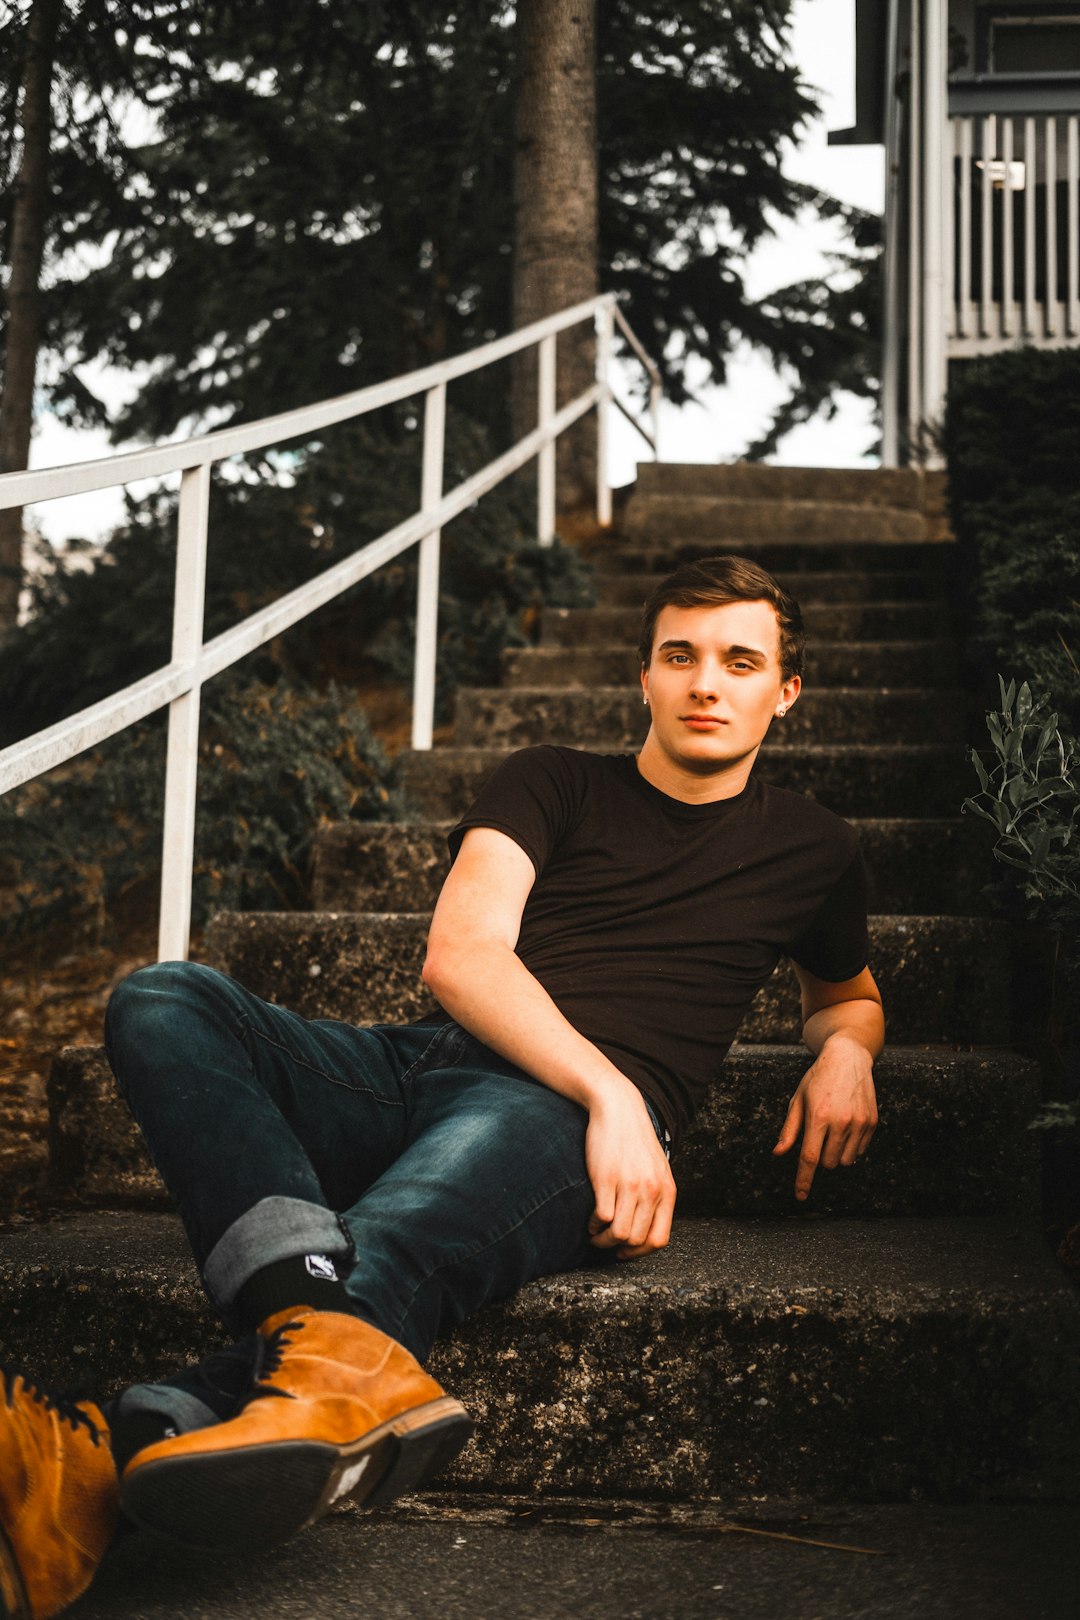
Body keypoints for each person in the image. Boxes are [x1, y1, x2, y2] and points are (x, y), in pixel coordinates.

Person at [0, 554, 882, 1620]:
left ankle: (95, 1471)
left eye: (741, 662)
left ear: (785, 691)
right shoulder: (551, 776)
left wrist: (847, 1053)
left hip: (544, 1123)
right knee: (162, 998)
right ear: (642, 676)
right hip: (428, 1069)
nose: (707, 683)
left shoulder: (815, 848)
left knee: (404, 1229)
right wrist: (616, 1098)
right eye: (680, 656)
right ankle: (322, 1345)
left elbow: (845, 995)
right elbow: (462, 958)